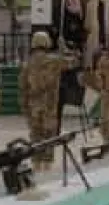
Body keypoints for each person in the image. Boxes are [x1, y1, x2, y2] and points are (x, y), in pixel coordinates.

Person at [19, 32, 77, 171]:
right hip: (49, 105)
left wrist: (24, 107)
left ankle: (36, 163)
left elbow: (23, 87)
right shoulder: (55, 61)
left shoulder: (27, 64)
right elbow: (73, 62)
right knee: (49, 135)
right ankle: (47, 164)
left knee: (35, 135)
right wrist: (63, 48)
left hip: (33, 105)